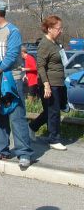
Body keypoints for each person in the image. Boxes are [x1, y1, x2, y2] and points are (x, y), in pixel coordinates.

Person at [0, 0, 33, 168]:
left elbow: (11, 56)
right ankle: (1, 149)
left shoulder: (13, 31)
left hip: (12, 80)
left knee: (16, 116)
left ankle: (23, 153)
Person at [28, 15, 67, 151]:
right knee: (54, 112)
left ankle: (32, 127)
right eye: (58, 28)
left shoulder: (56, 44)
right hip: (50, 83)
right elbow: (40, 66)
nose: (61, 31)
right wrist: (46, 85)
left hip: (60, 82)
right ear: (50, 29)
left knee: (51, 110)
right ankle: (54, 139)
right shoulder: (44, 44)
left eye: (61, 28)